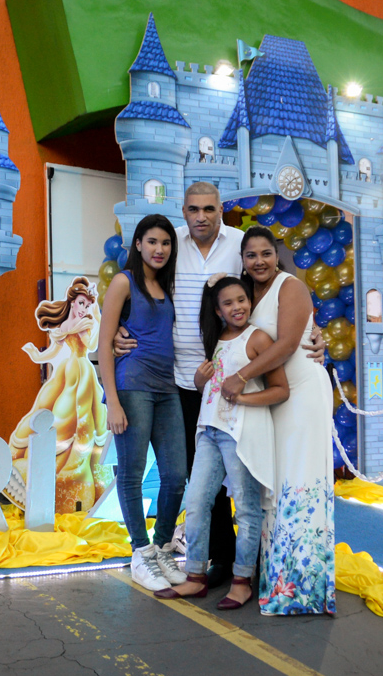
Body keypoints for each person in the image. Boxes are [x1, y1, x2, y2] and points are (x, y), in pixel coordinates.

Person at [115, 182, 326, 588]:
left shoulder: (239, 244)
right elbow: (134, 289)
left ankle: (254, 562)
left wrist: (314, 333)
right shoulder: (169, 243)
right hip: (183, 378)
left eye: (209, 208)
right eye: (193, 209)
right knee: (201, 482)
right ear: (184, 209)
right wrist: (113, 335)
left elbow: (280, 285)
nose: (201, 216)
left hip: (243, 377)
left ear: (220, 210)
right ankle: (220, 560)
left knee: (246, 474)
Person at [220, 226, 335, 616]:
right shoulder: (246, 293)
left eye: (266, 253)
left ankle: (302, 587)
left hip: (303, 394)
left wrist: (240, 376)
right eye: (251, 255)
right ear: (243, 260)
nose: (259, 261)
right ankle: (274, 575)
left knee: (300, 482)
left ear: (276, 254)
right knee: (276, 483)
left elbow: (287, 343)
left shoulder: (292, 287)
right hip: (273, 398)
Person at [160, 276, 287, 609]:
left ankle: (242, 579)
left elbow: (280, 389)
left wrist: (243, 399)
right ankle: (195, 577)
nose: (238, 307)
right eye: (228, 303)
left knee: (245, 507)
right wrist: (200, 383)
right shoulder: (216, 340)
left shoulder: (257, 338)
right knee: (197, 503)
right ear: (217, 311)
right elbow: (215, 389)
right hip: (208, 430)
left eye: (242, 300)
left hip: (240, 433)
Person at [99, 215, 188, 592]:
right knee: (132, 473)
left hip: (167, 388)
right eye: (151, 241)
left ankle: (163, 545)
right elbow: (104, 345)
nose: (159, 249)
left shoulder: (166, 286)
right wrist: (112, 403)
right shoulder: (124, 282)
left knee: (174, 474)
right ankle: (139, 551)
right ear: (137, 244)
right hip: (132, 386)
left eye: (165, 243)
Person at [8, 277, 111, 513]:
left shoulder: (85, 322)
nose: (83, 308)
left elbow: (92, 343)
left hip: (83, 372)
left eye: (87, 304)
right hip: (67, 371)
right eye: (81, 303)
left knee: (82, 422)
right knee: (54, 413)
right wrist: (37, 356)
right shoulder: (69, 324)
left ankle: (76, 482)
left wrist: (95, 317)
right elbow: (55, 348)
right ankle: (42, 475)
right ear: (72, 302)